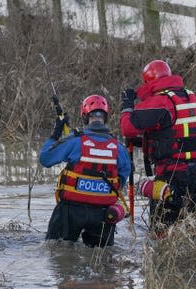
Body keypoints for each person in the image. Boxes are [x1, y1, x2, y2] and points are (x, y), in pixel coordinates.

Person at [119, 59, 196, 233]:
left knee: (162, 233)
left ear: (148, 82)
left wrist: (127, 105)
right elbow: (176, 133)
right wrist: (145, 142)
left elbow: (127, 128)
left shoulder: (160, 101)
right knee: (191, 229)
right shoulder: (191, 97)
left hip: (172, 177)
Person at [40, 94, 131, 247]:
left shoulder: (75, 141)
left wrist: (56, 132)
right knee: (101, 260)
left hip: (70, 211)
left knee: (57, 252)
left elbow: (46, 159)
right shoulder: (119, 148)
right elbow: (122, 178)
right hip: (103, 213)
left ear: (84, 117)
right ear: (106, 117)